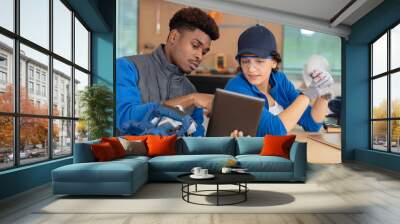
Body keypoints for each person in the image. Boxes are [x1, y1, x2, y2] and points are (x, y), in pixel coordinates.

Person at [116, 7, 219, 136]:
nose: (199, 56)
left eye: (204, 52)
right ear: (174, 37)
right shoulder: (127, 67)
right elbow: (125, 119)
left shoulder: (191, 90)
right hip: (129, 156)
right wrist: (189, 100)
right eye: (195, 46)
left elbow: (197, 142)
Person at [225, 25, 333, 137]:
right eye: (245, 61)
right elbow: (273, 131)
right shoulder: (236, 87)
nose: (251, 69)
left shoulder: (280, 80)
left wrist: (325, 90)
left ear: (274, 62)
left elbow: (312, 124)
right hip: (250, 153)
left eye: (259, 61)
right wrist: (309, 93)